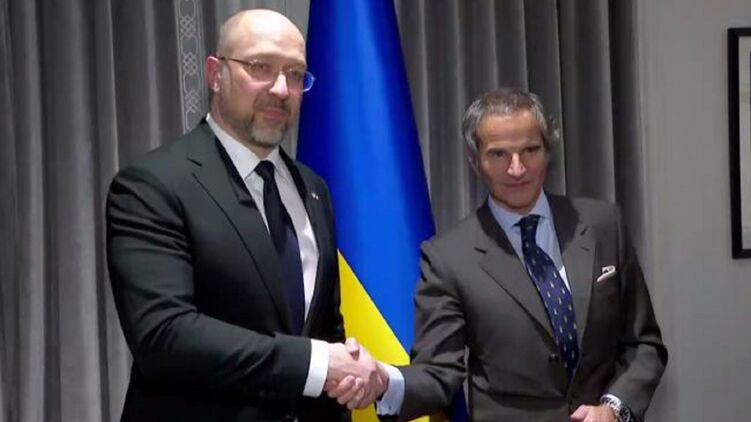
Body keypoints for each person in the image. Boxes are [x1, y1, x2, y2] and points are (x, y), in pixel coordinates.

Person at [106, 9, 381, 422]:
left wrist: (348, 371)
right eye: (260, 67)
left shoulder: (314, 189)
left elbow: (323, 328)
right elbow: (164, 336)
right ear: (215, 75)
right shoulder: (152, 185)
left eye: (295, 74)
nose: (281, 89)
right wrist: (317, 363)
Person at [331, 88, 668, 421]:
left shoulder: (602, 225)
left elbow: (644, 344)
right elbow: (438, 372)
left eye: (530, 150)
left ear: (548, 151)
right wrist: (384, 382)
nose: (517, 169)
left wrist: (614, 408)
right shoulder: (448, 258)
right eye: (499, 155)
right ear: (474, 161)